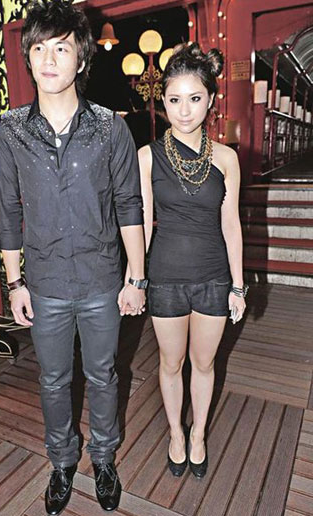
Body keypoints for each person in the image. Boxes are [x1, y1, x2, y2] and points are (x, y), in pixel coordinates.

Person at [0, 1, 147, 513]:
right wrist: (15, 283)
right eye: (39, 48)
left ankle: (103, 458)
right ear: (28, 58)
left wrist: (136, 279)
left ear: (81, 59)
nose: (49, 59)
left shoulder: (109, 127)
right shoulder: (10, 130)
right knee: (53, 380)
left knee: (103, 375)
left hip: (102, 279)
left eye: (61, 48)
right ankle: (61, 461)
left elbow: (129, 204)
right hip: (45, 283)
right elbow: (7, 211)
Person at [138, 43, 246, 480]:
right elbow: (143, 225)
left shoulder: (227, 158)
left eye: (195, 98)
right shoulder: (147, 157)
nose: (184, 111)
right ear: (163, 101)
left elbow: (231, 225)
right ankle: (175, 434)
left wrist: (238, 285)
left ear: (211, 100)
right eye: (174, 99)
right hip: (165, 278)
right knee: (170, 364)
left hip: (213, 278)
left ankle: (198, 434)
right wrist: (135, 280)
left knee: (203, 364)